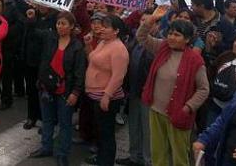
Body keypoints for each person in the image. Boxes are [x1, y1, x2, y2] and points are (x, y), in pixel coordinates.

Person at [137, 15, 210, 166]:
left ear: (188, 39)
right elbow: (142, 36)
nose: (171, 37)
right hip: (156, 110)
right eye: (170, 33)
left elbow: (203, 89)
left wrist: (188, 107)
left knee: (179, 156)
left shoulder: (195, 60)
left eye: (177, 35)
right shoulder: (162, 47)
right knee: (158, 152)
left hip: (179, 113)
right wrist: (150, 20)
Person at [28, 11, 86, 166]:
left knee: (65, 123)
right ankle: (46, 147)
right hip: (46, 88)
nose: (60, 26)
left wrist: (75, 92)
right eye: (58, 23)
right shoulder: (50, 38)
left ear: (72, 26)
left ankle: (62, 153)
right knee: (47, 120)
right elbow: (33, 31)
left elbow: (80, 72)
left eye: (64, 24)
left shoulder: (77, 46)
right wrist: (32, 18)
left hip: (65, 92)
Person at [83, 14, 129, 166]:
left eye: (105, 26)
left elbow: (118, 77)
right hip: (95, 94)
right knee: (100, 132)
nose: (101, 28)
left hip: (106, 97)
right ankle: (101, 158)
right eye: (101, 25)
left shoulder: (119, 49)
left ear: (116, 31)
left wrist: (107, 96)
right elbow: (94, 61)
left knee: (107, 134)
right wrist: (89, 45)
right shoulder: (104, 42)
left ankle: (106, 162)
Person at [116, 11, 155, 166]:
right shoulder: (133, 42)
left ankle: (147, 160)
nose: (143, 25)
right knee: (134, 125)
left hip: (148, 94)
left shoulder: (157, 45)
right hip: (133, 90)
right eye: (141, 21)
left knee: (148, 130)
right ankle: (134, 156)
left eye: (147, 22)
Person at [21, 4, 57, 130]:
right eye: (39, 3)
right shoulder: (33, 15)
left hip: (46, 62)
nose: (42, 6)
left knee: (45, 92)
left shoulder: (55, 18)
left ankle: (46, 120)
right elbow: (26, 36)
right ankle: (32, 116)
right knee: (31, 90)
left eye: (44, 3)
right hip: (30, 60)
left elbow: (47, 36)